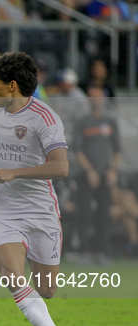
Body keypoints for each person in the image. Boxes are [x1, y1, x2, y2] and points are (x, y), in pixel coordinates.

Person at [0, 51, 80, 326]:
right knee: (11, 274)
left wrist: (14, 172)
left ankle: (45, 317)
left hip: (40, 210)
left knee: (47, 289)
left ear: (12, 85)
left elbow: (60, 167)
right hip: (0, 209)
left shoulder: (45, 118)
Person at [74, 86, 121, 266]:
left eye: (98, 96)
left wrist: (113, 170)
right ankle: (84, 251)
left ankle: (103, 251)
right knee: (83, 213)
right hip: (85, 174)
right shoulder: (83, 122)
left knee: (103, 213)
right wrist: (89, 170)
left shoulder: (110, 121)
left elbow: (117, 149)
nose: (95, 100)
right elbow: (77, 149)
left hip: (105, 173)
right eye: (92, 97)